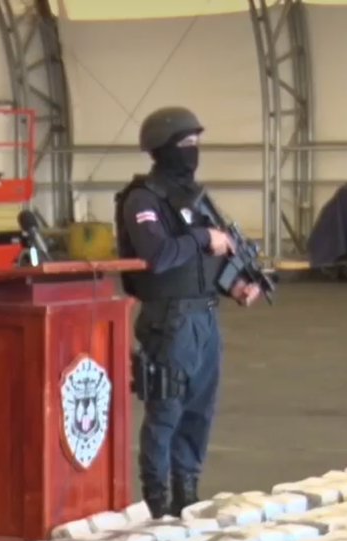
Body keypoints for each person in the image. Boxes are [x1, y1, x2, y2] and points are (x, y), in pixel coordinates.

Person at [115, 106, 262, 519]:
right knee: (166, 410)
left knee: (199, 410)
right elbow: (159, 254)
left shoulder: (195, 199)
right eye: (185, 143)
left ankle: (187, 492)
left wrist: (235, 284)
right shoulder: (143, 199)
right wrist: (202, 237)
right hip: (169, 320)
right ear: (161, 148)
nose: (192, 150)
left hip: (203, 317)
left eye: (196, 143)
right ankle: (157, 500)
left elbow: (207, 259)